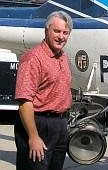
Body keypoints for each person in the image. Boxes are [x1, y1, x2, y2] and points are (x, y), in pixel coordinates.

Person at [14, 11, 73, 170]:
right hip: (38, 124)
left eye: (65, 33)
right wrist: (33, 137)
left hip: (60, 126)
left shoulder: (63, 57)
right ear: (46, 31)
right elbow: (24, 100)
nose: (61, 36)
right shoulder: (33, 58)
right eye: (57, 31)